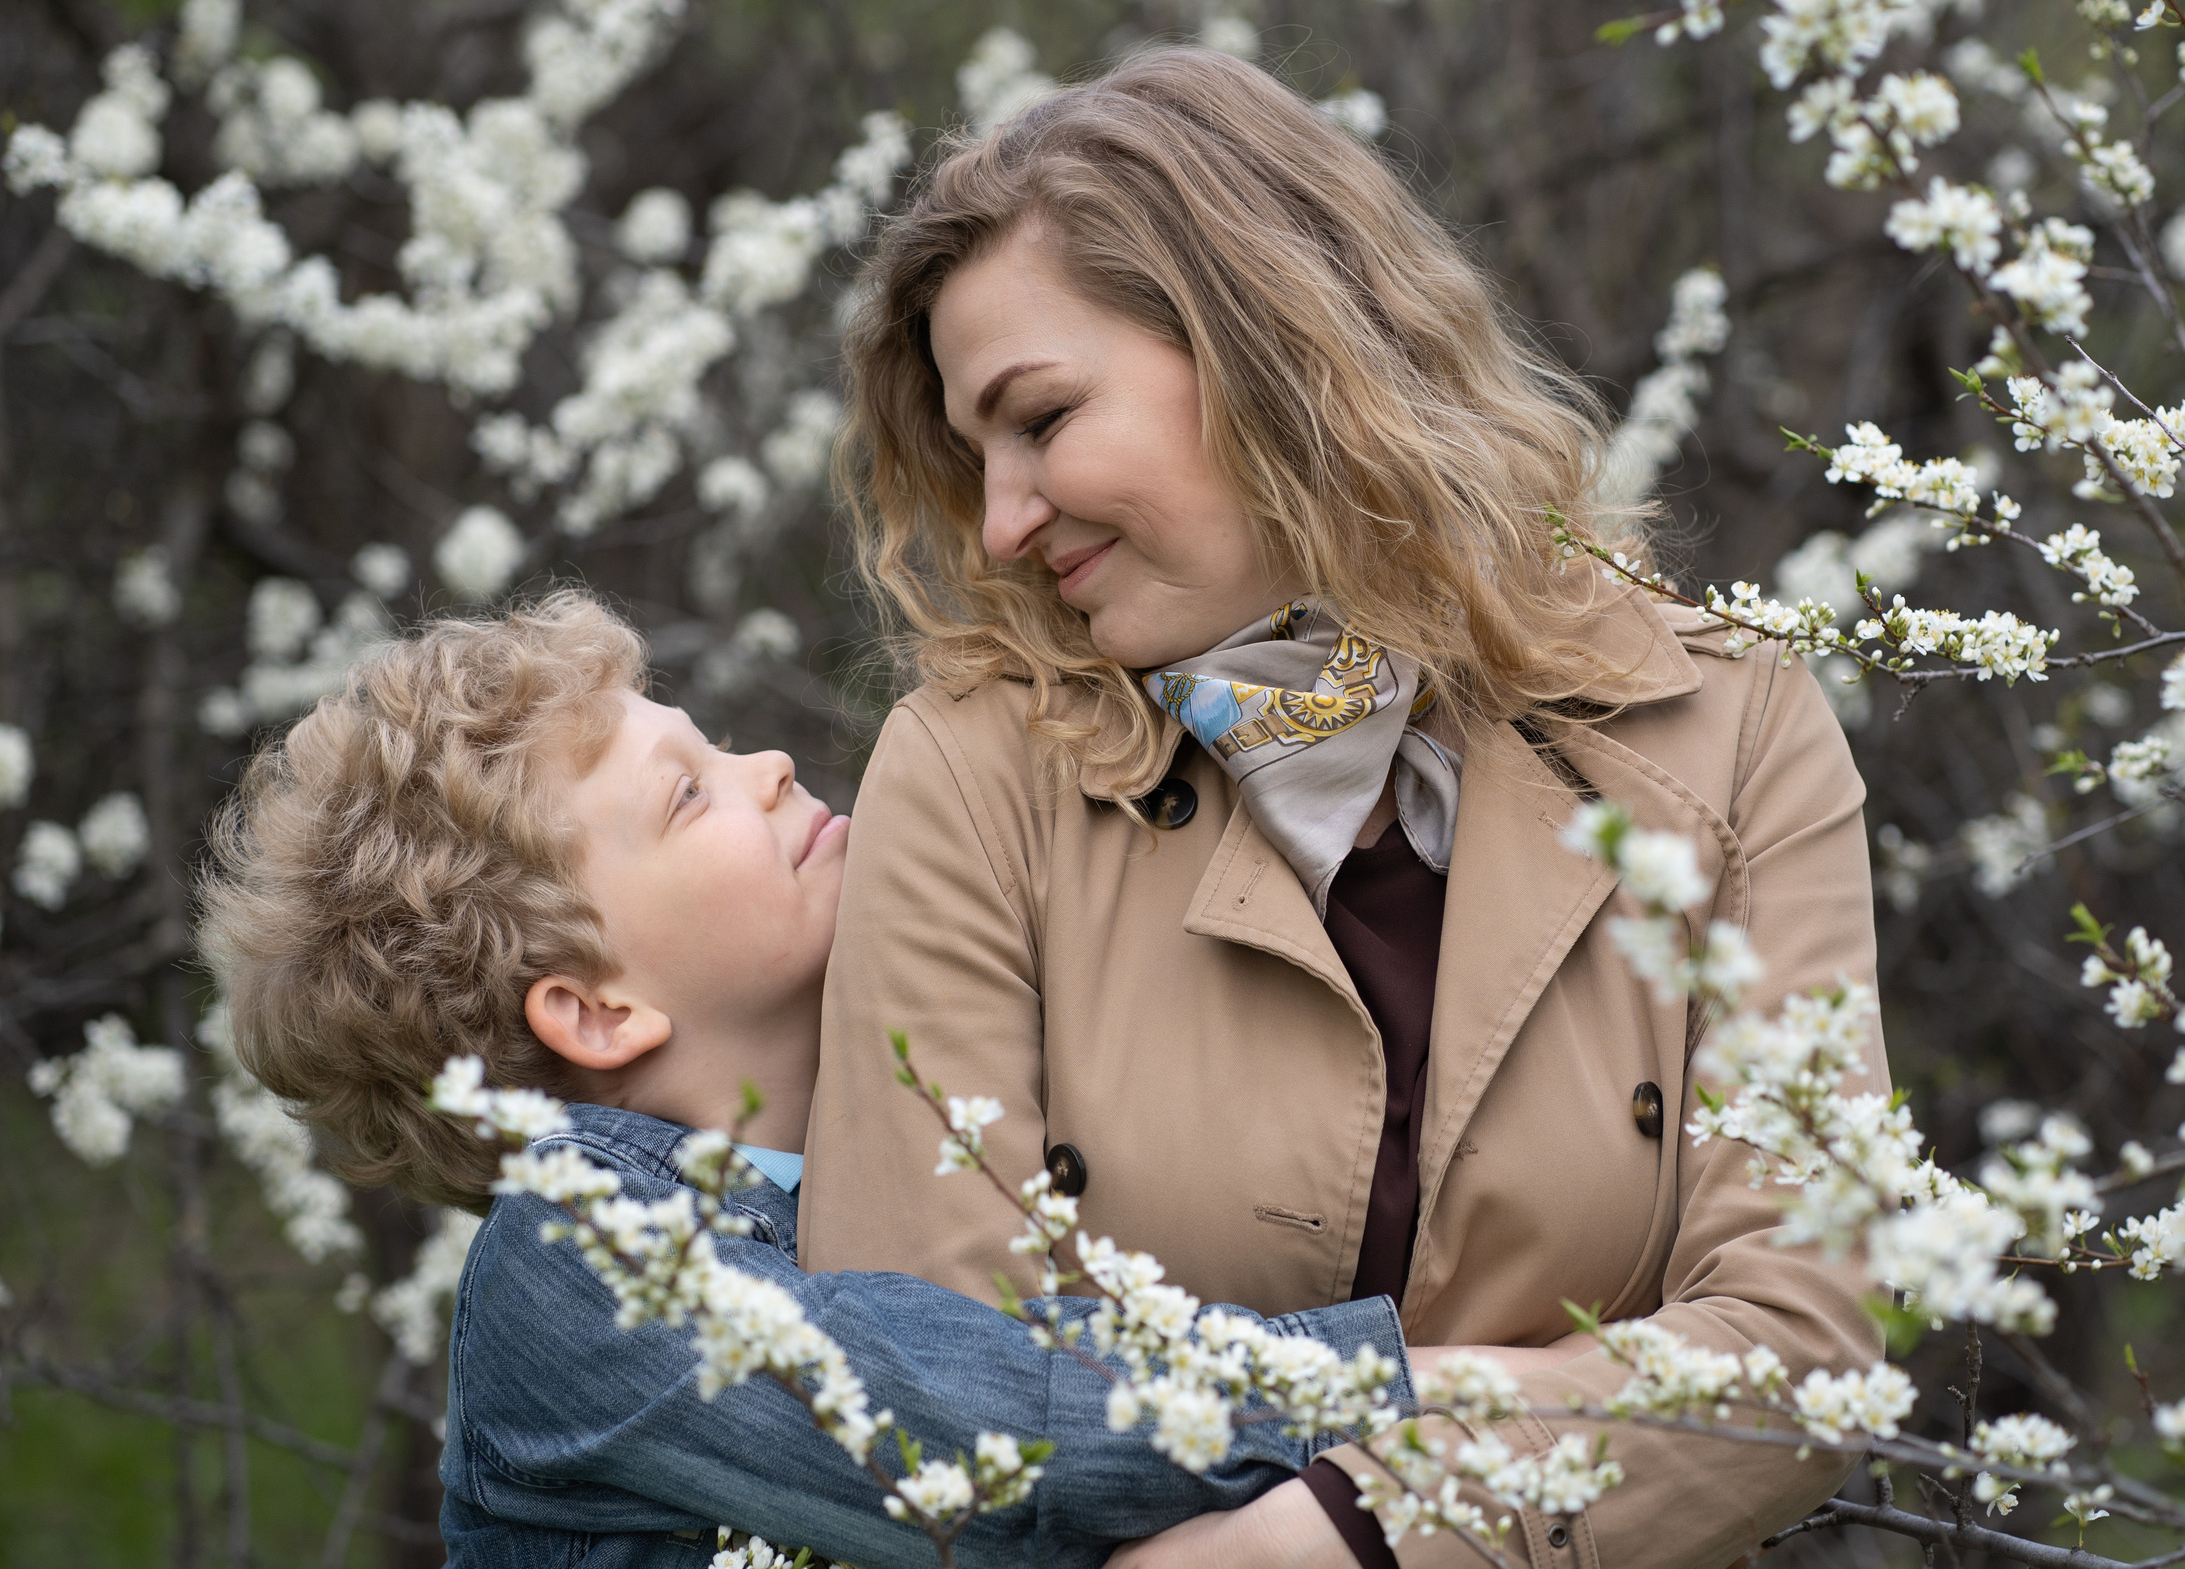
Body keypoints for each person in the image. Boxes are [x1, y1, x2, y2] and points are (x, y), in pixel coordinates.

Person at [807, 45, 1892, 1569]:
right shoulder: (981, 777)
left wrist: (1320, 1540)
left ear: (1262, 341)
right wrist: (1525, 1401)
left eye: (1040, 419)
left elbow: (1807, 1336)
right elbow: (925, 1403)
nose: (997, 522)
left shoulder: (1720, 728)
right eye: (973, 454)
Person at [194, 591, 1441, 1569]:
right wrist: (1436, 1387)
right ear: (595, 1010)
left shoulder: (954, 1097)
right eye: (690, 795)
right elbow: (1004, 1441)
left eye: (722, 745)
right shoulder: (575, 1270)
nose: (776, 762)